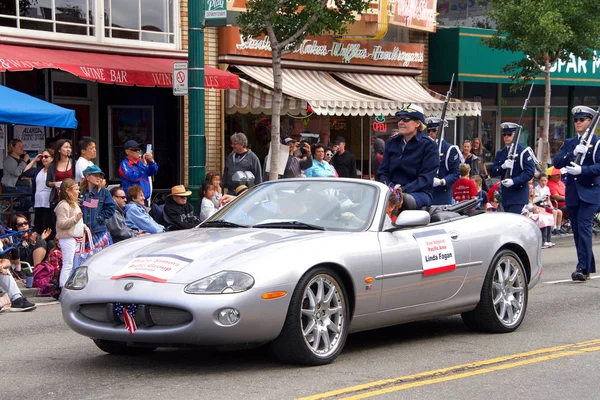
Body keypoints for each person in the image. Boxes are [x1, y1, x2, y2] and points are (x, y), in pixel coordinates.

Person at [553, 106, 600, 281]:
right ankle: (586, 267)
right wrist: (572, 153)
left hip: (590, 192)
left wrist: (582, 170)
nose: (578, 123)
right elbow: (557, 162)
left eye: (582, 120)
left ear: (590, 122)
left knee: (583, 227)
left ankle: (582, 267)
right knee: (578, 232)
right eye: (576, 120)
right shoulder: (570, 143)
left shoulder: (597, 143)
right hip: (573, 193)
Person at [377, 104, 439, 209]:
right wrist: (389, 188)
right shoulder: (392, 142)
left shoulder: (429, 145)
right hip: (391, 191)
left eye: (405, 119)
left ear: (417, 123)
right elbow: (383, 172)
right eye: (399, 119)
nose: (400, 123)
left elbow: (425, 179)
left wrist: (401, 191)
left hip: (418, 192)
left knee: (403, 201)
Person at [490, 122, 535, 214]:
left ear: (515, 135)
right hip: (505, 195)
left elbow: (529, 172)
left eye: (509, 134)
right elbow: (492, 171)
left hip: (518, 195)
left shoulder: (523, 151)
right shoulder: (501, 153)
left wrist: (514, 181)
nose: (506, 137)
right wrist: (503, 166)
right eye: (504, 134)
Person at [425, 117, 461, 205]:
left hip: (442, 194)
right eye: (428, 131)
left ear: (440, 131)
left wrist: (442, 181)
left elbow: (455, 174)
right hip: (426, 192)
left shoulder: (449, 149)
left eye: (433, 130)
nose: (430, 133)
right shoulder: (424, 148)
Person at [54, 178, 83, 288]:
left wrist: (83, 226)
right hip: (67, 238)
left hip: (75, 238)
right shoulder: (63, 205)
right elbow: (61, 223)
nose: (78, 191)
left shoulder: (73, 204)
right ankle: (63, 287)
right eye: (76, 189)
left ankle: (69, 285)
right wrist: (76, 219)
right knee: (68, 263)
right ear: (67, 190)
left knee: (73, 264)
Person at [80, 165, 116, 250]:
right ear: (88, 177)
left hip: (99, 231)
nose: (99, 178)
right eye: (96, 176)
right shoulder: (81, 192)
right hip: (84, 233)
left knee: (103, 257)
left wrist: (99, 218)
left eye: (100, 176)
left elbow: (111, 208)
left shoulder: (104, 192)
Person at [1, 139, 39, 211]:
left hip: (25, 187)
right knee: (28, 199)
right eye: (19, 146)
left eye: (22, 146)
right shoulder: (8, 160)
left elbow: (27, 171)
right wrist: (24, 161)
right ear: (12, 147)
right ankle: (17, 214)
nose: (22, 148)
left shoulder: (22, 160)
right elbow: (17, 172)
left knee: (36, 196)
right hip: (12, 188)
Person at [29, 148, 55, 237]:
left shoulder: (54, 170)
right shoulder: (39, 170)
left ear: (52, 158)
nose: (43, 159)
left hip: (48, 203)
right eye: (42, 157)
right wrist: (35, 160)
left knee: (47, 228)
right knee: (38, 228)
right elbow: (25, 172)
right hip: (38, 203)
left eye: (46, 156)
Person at [522, 182, 555, 249]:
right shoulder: (523, 198)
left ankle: (548, 240)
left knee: (548, 217)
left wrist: (537, 208)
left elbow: (534, 205)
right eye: (529, 189)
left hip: (534, 214)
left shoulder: (531, 199)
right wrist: (532, 209)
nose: (531, 190)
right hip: (527, 216)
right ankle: (543, 241)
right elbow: (525, 208)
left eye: (532, 189)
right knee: (543, 219)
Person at [46, 139, 75, 208]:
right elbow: (47, 182)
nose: (68, 149)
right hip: (57, 198)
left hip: (71, 198)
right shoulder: (52, 165)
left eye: (69, 147)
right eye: (66, 147)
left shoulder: (74, 163)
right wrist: (54, 183)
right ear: (59, 150)